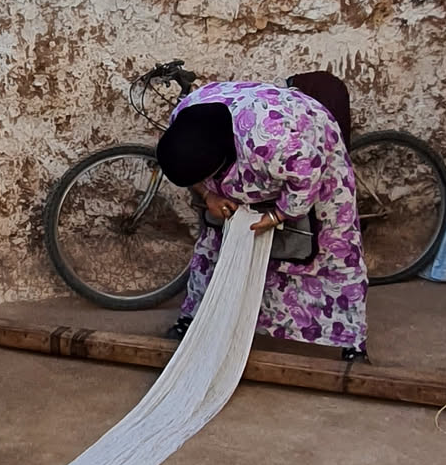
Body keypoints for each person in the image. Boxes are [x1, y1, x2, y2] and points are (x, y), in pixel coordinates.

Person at [156, 76, 367, 354]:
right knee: (216, 245)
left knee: (331, 247)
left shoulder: (275, 146)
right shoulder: (184, 120)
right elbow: (193, 172)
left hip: (310, 144)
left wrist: (278, 215)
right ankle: (196, 316)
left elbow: (305, 178)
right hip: (254, 131)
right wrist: (209, 195)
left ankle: (350, 338)